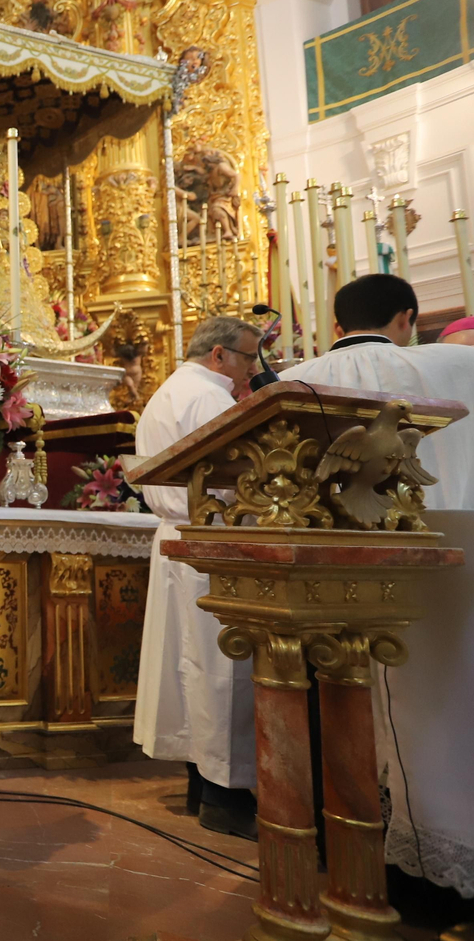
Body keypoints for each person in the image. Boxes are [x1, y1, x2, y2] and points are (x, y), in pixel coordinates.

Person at [281, 274, 474, 899]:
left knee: (340, 699)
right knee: (445, 704)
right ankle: (438, 857)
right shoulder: (454, 365)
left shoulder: (293, 380)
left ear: (337, 325)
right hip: (452, 550)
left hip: (327, 560)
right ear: (406, 317)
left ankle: (356, 851)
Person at [133, 315, 263, 839]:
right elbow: (234, 479)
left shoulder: (169, 391)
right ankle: (224, 797)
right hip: (212, 543)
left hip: (180, 538)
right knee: (221, 671)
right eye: (249, 357)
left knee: (191, 670)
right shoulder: (211, 398)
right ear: (219, 356)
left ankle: (200, 784)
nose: (253, 370)